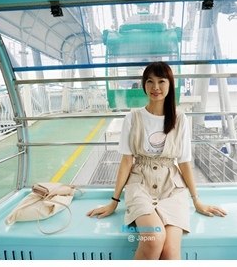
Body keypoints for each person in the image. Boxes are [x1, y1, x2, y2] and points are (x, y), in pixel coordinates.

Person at [87, 61, 226, 259]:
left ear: (170, 84)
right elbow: (126, 162)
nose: (156, 87)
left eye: (161, 81)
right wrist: (114, 201)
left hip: (172, 187)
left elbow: (185, 161)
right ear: (144, 85)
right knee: (154, 239)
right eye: (150, 81)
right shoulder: (133, 118)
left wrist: (196, 200)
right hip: (140, 184)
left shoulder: (180, 119)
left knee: (170, 252)